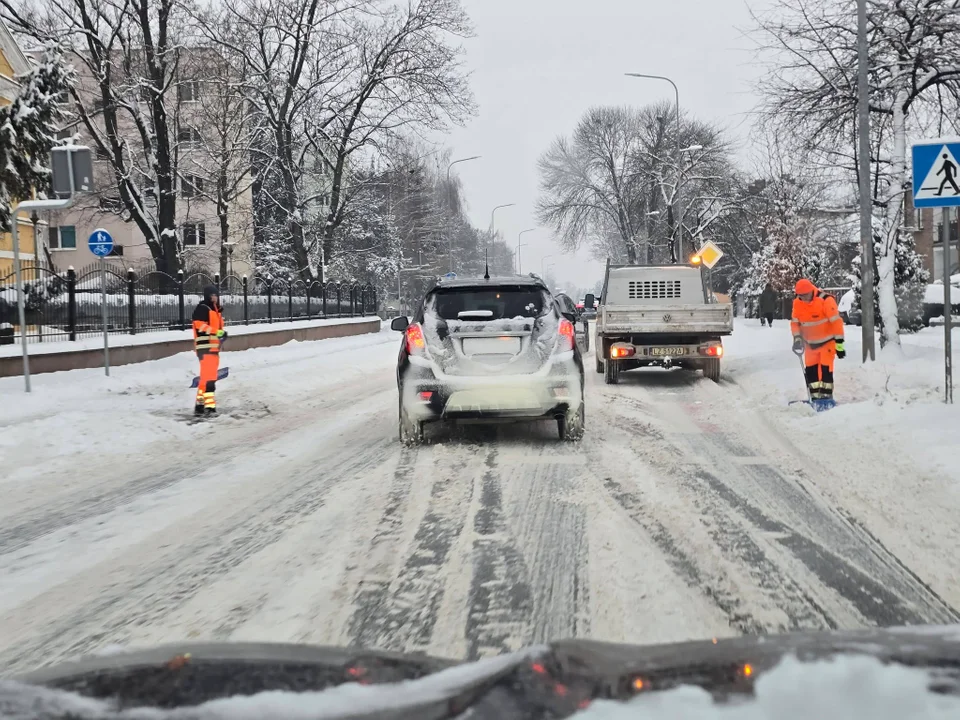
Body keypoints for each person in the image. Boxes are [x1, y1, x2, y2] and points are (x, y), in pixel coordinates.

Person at [790, 279, 845, 406]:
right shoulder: (797, 303)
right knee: (811, 372)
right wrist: (797, 338)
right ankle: (814, 398)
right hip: (810, 344)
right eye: (800, 296)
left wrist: (840, 345)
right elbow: (795, 323)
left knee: (826, 371)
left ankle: (826, 398)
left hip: (827, 343)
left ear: (811, 291)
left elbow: (836, 322)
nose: (803, 299)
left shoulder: (825, 300)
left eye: (805, 295)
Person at [192, 285, 227, 415]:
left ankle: (200, 405)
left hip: (213, 348)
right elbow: (200, 326)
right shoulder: (203, 308)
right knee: (210, 378)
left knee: (206, 378)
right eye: (212, 295)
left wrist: (221, 335)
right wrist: (217, 332)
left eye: (216, 295)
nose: (215, 297)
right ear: (207, 296)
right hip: (205, 348)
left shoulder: (215, 311)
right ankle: (209, 406)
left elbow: (216, 329)